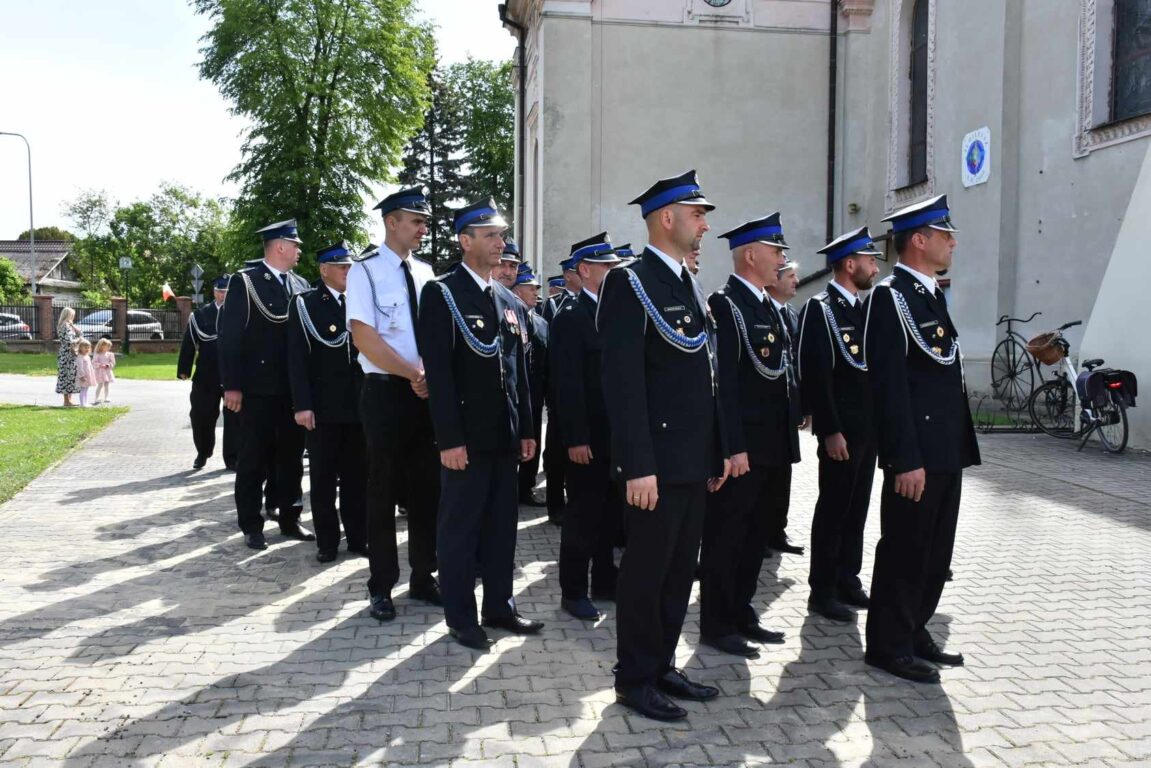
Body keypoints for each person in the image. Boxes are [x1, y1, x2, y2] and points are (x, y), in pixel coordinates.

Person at [599, 170, 730, 722]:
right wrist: (636, 465)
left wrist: (718, 449)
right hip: (654, 465)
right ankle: (633, 678)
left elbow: (708, 372)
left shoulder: (686, 282)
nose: (704, 226)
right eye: (697, 215)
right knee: (647, 574)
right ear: (667, 218)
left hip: (692, 462)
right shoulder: (629, 283)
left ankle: (661, 665)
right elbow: (623, 383)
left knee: (680, 572)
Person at [864, 194, 980, 684]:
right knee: (906, 549)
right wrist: (902, 458)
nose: (953, 242)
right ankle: (888, 644)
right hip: (915, 455)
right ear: (919, 240)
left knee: (936, 553)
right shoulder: (890, 298)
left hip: (945, 449)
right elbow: (888, 387)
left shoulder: (930, 294)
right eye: (944, 233)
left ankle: (914, 628)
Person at [418, 197, 541, 650]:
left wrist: (527, 429)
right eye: (489, 235)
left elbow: (519, 372)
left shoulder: (508, 299)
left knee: (501, 528)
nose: (500, 243)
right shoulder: (443, 293)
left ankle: (499, 605)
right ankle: (461, 617)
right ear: (464, 240)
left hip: (504, 436)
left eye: (502, 235)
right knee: (460, 528)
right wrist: (448, 439)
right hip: (464, 440)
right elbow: (440, 373)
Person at [698, 213, 796, 659]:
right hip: (743, 449)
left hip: (770, 446)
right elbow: (726, 384)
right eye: (776, 251)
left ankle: (741, 610)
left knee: (756, 535)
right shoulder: (727, 304)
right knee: (727, 536)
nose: (782, 259)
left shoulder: (763, 305)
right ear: (751, 254)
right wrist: (731, 446)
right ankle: (717, 622)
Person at [346, 187, 442, 622]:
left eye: (424, 222)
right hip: (386, 391)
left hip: (424, 393)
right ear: (391, 222)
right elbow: (365, 338)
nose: (424, 228)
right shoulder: (363, 272)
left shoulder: (426, 273)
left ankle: (424, 576)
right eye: (416, 221)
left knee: (427, 490)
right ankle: (381, 584)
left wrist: (428, 379)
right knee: (381, 491)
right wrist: (413, 375)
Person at [798, 226, 882, 623]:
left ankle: (848, 578)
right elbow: (817, 374)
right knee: (833, 509)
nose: (876, 268)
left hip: (866, 430)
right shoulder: (821, 308)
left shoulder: (862, 309)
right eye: (869, 261)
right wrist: (829, 430)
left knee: (857, 508)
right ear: (850, 264)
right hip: (841, 433)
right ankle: (823, 589)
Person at [218, 219, 315, 550]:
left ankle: (290, 516)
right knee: (254, 458)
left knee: (290, 458)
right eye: (296, 245)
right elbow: (230, 338)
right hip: (257, 388)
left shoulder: (300, 284)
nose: (300, 250)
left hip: (293, 389)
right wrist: (232, 385)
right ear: (280, 247)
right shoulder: (246, 282)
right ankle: (251, 523)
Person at [550, 232, 623, 622]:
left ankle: (605, 581)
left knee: (610, 514)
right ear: (585, 270)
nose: (614, 271)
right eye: (607, 266)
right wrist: (575, 438)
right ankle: (573, 590)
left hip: (614, 436)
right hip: (586, 439)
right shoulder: (571, 316)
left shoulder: (613, 311)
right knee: (581, 516)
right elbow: (568, 384)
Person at [287, 241, 369, 563]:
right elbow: (296, 359)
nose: (348, 271)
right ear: (324, 270)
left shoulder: (361, 301)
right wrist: (302, 404)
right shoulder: (306, 304)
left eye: (350, 266)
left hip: (359, 406)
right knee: (322, 478)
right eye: (342, 267)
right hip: (322, 409)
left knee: (357, 477)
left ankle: (358, 537)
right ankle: (327, 541)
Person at [764, 257, 806, 557]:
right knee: (765, 478)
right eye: (790, 276)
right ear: (774, 279)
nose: (795, 281)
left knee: (783, 474)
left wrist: (802, 406)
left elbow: (797, 364)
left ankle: (777, 530)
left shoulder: (791, 314)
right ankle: (762, 533)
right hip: (766, 413)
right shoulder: (761, 311)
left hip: (787, 408)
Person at [178, 277, 237, 470]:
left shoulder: (240, 313)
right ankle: (203, 452)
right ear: (214, 292)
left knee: (235, 419)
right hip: (206, 375)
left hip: (233, 376)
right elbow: (189, 342)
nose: (223, 295)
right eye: (220, 291)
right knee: (200, 415)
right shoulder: (200, 315)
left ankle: (232, 457)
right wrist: (184, 369)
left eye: (227, 291)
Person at [512, 262, 550, 508]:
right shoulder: (509, 315)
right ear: (517, 291)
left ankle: (525, 488)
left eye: (537, 288)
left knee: (533, 438)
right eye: (530, 288)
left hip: (534, 394)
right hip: (511, 393)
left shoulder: (540, 322)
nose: (536, 292)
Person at [55, 307, 81, 407]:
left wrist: (74, 327)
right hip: (67, 354)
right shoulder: (65, 326)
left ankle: (69, 400)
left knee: (70, 376)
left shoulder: (68, 325)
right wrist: (80, 339)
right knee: (66, 376)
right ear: (68, 315)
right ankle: (66, 401)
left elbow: (80, 333)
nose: (73, 317)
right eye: (72, 315)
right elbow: (70, 341)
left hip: (68, 353)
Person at [92, 338, 116, 405]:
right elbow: (94, 362)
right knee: (100, 384)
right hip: (100, 372)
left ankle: (106, 397)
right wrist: (100, 365)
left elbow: (113, 363)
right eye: (107, 346)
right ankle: (96, 398)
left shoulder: (110, 354)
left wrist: (108, 365)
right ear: (101, 346)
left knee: (107, 384)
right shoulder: (97, 354)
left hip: (107, 371)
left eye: (109, 346)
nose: (109, 347)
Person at [74, 339, 95, 407]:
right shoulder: (80, 357)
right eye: (85, 347)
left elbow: (89, 366)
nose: (87, 349)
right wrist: (82, 376)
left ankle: (85, 402)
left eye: (88, 347)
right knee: (83, 389)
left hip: (88, 375)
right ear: (80, 348)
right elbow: (80, 367)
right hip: (83, 376)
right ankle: (82, 404)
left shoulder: (87, 356)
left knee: (86, 389)